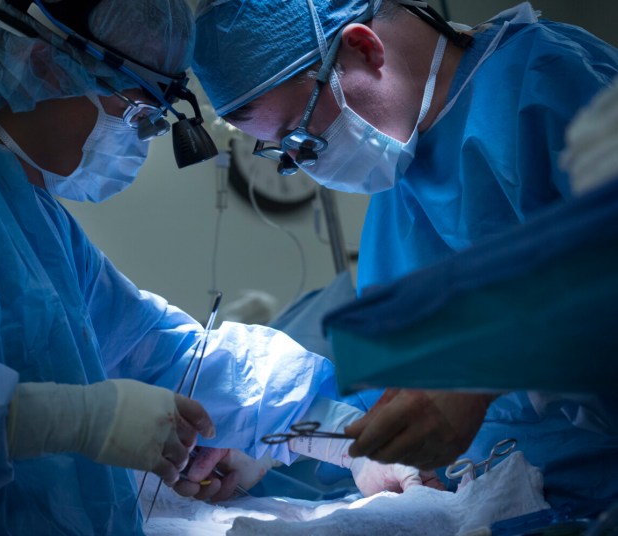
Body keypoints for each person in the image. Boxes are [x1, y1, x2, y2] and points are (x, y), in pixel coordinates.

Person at [0, 1, 441, 534]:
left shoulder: (25, 208)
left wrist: (342, 435)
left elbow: (158, 350)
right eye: (137, 110)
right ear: (44, 65)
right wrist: (76, 420)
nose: (136, 139)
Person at [193, 0, 618, 517]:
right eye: (281, 152)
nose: (303, 164)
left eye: (299, 136)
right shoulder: (402, 177)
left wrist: (479, 375)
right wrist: (277, 442)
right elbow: (396, 393)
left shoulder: (553, 85)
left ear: (364, 48)